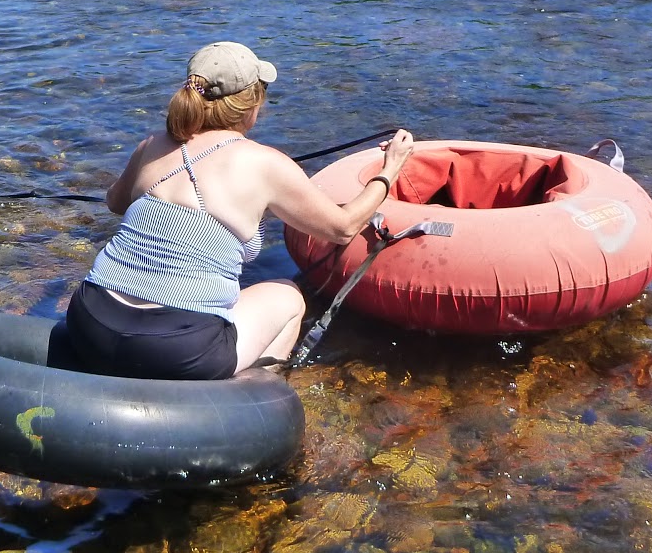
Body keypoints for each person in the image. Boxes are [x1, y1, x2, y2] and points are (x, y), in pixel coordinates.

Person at [50, 41, 418, 380]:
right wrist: (389, 169)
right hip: (175, 349)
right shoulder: (266, 165)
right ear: (252, 104)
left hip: (90, 322)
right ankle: (250, 404)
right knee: (289, 296)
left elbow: (116, 202)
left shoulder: (152, 147)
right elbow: (343, 228)